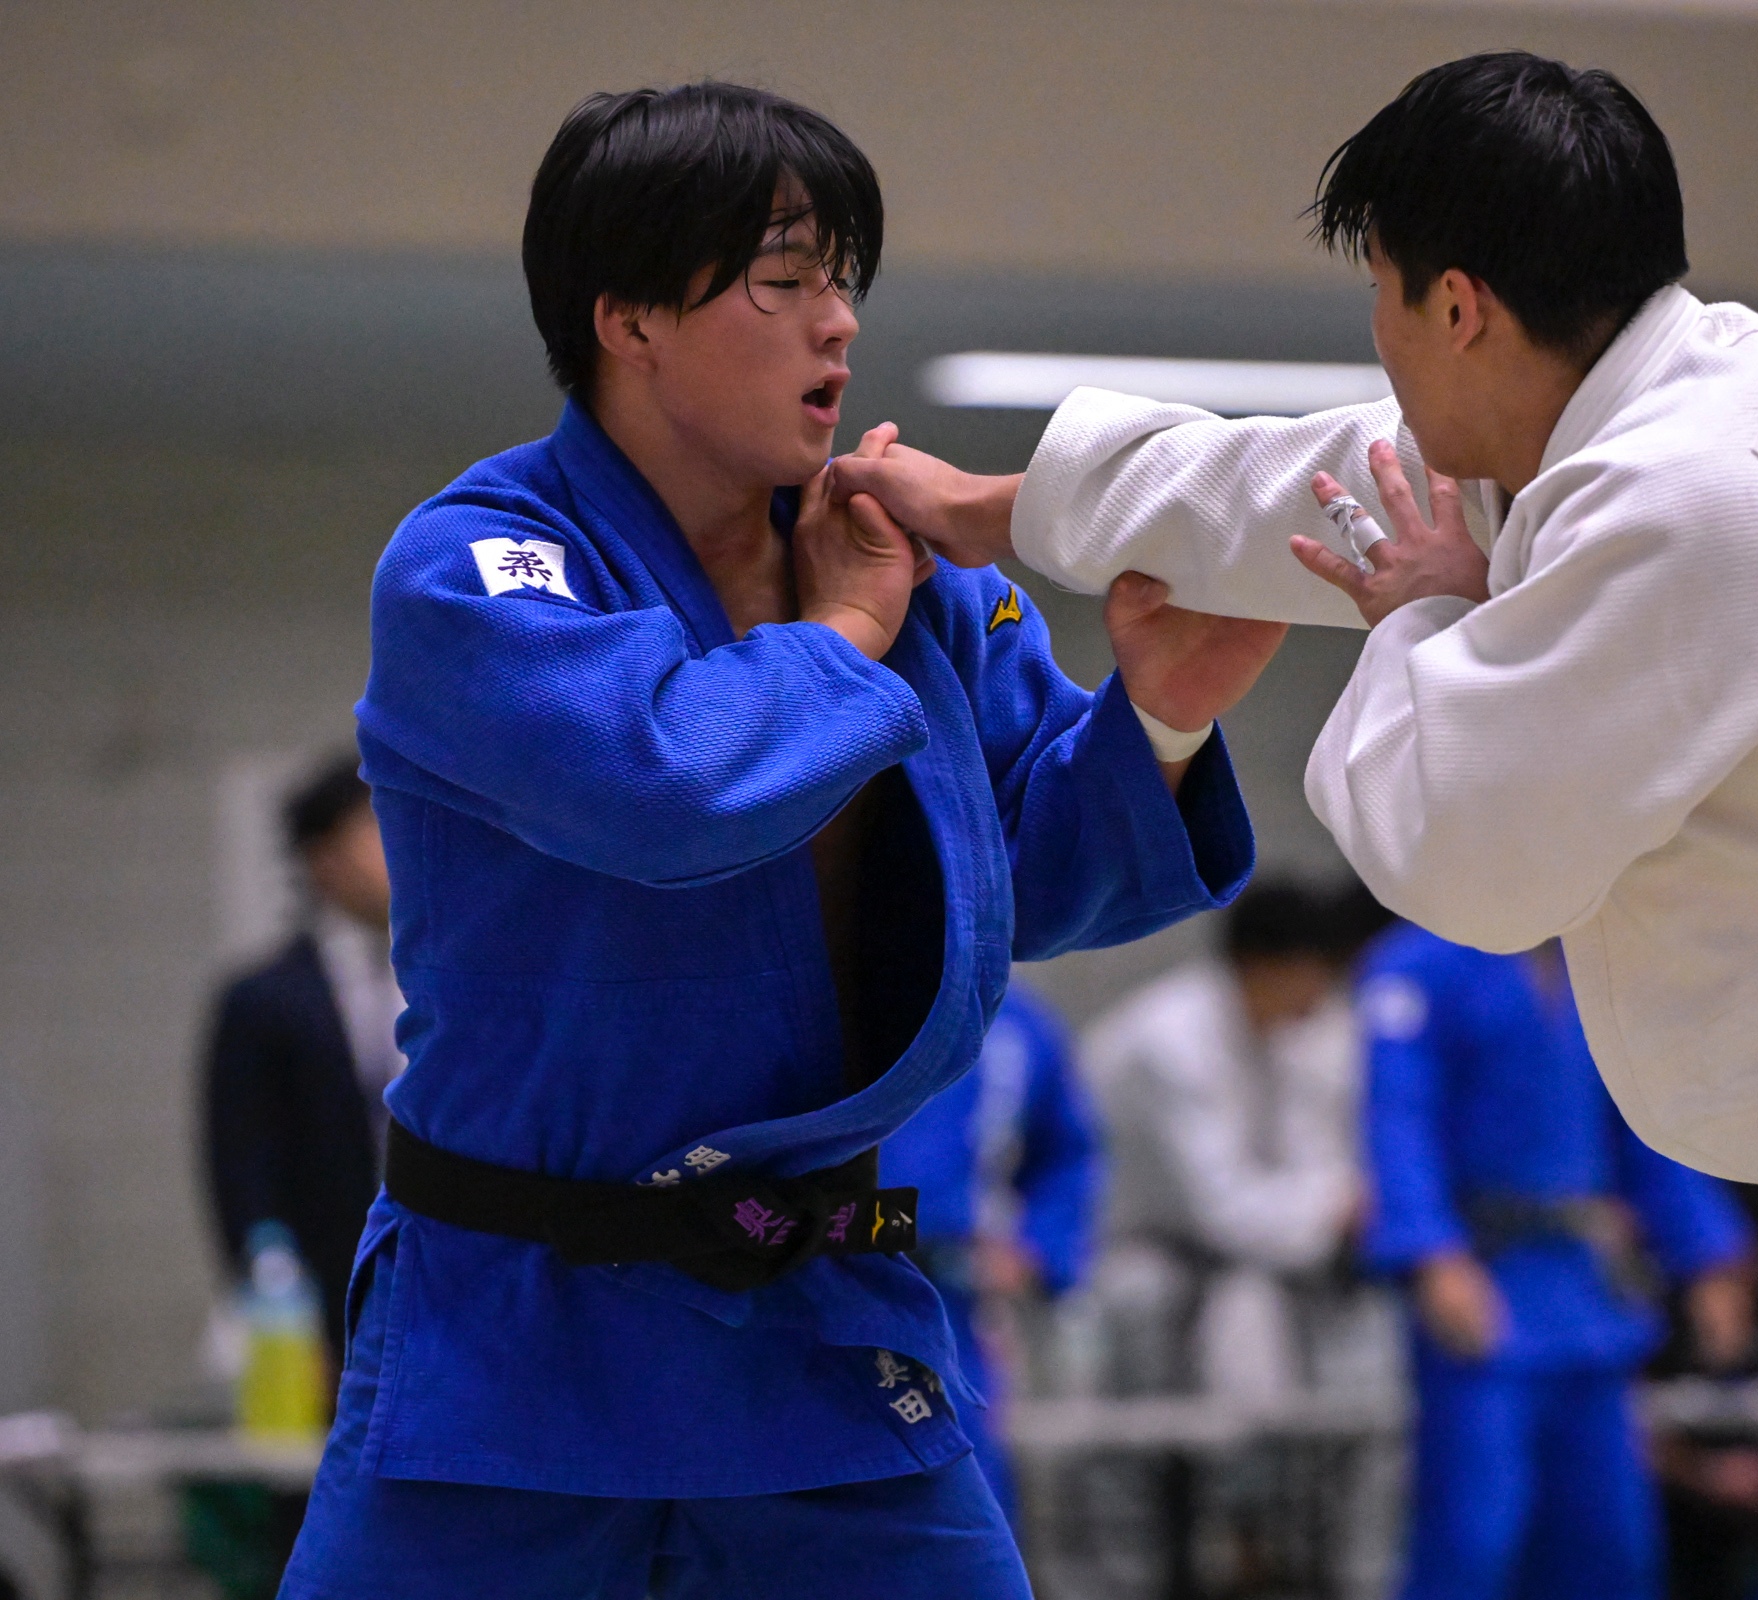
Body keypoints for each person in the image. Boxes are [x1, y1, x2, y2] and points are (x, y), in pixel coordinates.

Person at [832, 51, 1758, 1597]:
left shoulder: (1692, 498)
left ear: (1455, 306)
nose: (1378, 345)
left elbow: (1459, 850)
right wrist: (998, 509)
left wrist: (1425, 619)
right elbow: (1308, 489)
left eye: (1379, 296)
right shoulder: (1629, 427)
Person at [276, 83, 1281, 1600]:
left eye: (844, 280)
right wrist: (848, 629)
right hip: (515, 1335)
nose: (839, 323)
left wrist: (1161, 713)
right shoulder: (480, 564)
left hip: (811, 1319)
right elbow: (666, 789)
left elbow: (1027, 882)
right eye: (785, 279)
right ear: (629, 318)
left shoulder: (918, 581)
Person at [1356, 925, 1753, 1600]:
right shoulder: (1415, 967)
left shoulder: (1597, 962)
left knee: (1610, 1544)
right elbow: (1398, 1119)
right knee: (1473, 1539)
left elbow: (1645, 1124)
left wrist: (1707, 1257)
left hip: (1586, 1295)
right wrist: (1432, 1254)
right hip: (1483, 1285)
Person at [1082, 882, 1369, 1401]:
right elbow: (1226, 1212)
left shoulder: (1284, 1033)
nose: (1323, 994)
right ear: (1264, 967)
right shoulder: (1170, 1044)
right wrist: (1340, 1204)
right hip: (1112, 1252)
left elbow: (1306, 1160)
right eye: (1316, 975)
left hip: (1209, 1252)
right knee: (1206, 1305)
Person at [202, 754, 402, 1362]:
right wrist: (276, 1306)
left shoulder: (454, 985)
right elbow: (243, 1168)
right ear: (324, 858)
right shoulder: (265, 1000)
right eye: (377, 829)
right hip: (326, 1293)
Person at [880, 984, 1100, 1523]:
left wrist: (1038, 1249)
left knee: (963, 1487)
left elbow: (1066, 1155)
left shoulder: (1017, 1025)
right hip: (806, 1277)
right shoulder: (828, 992)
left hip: (950, 1297)